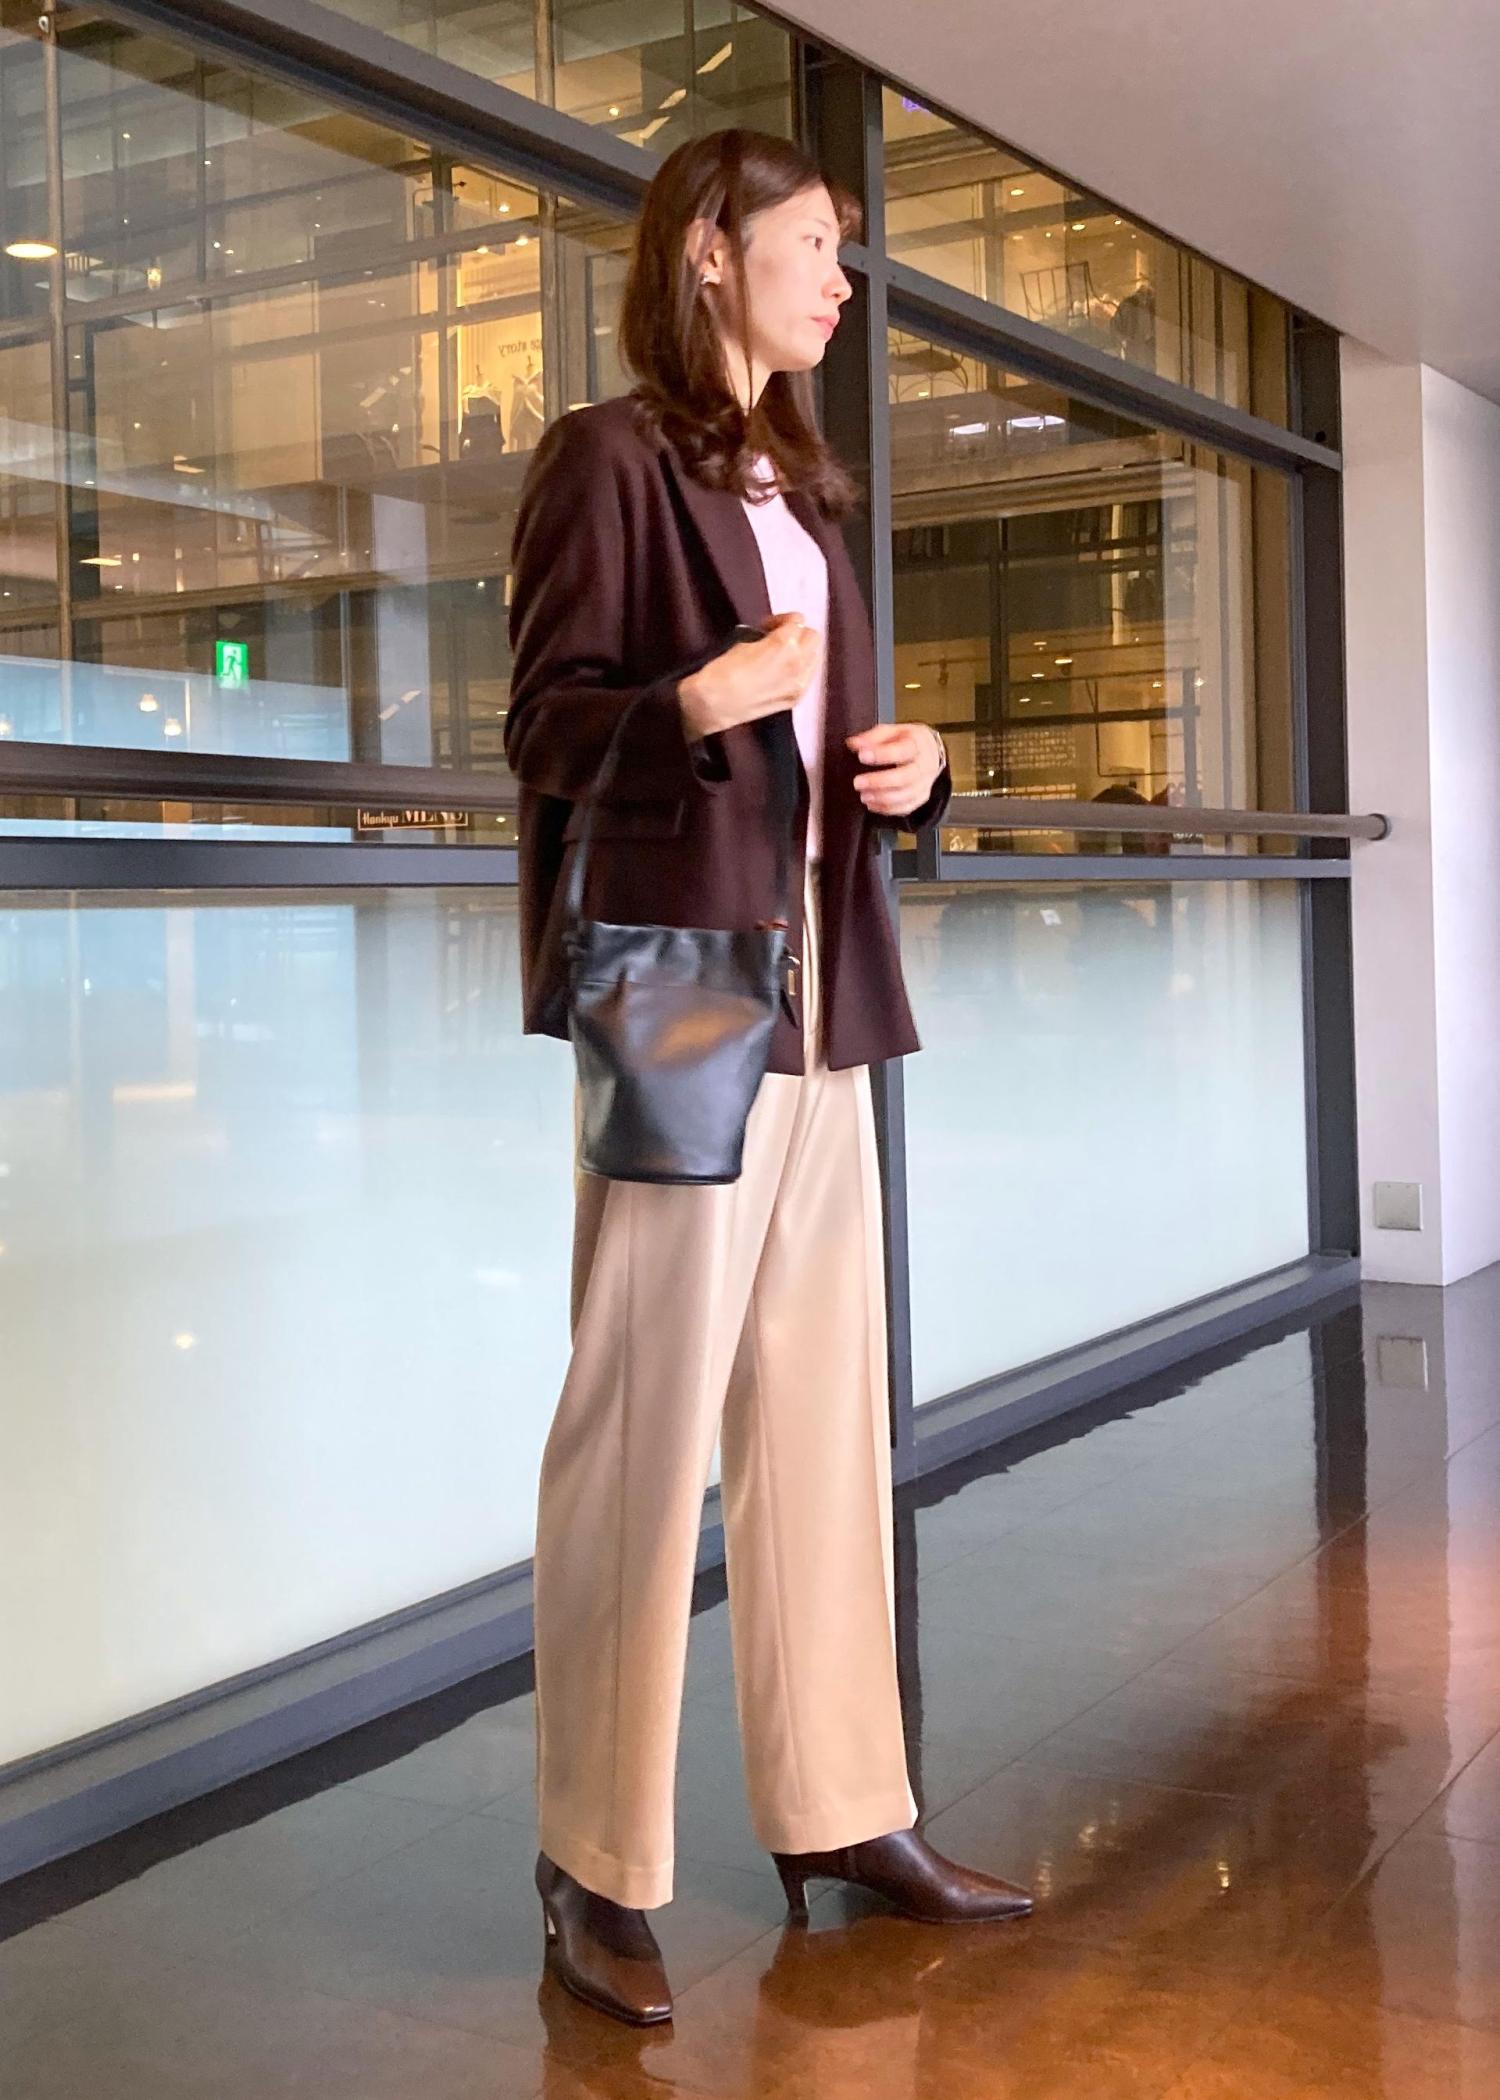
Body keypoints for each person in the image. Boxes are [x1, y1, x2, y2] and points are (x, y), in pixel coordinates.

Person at [504, 126, 1033, 2030]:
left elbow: (831, 760)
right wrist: (690, 705)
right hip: (685, 1005)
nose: (841, 281)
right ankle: (594, 1860)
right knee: (642, 1437)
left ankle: (843, 1811)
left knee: (821, 1429)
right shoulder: (607, 459)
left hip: (825, 1009)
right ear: (712, 253)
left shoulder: (801, 485)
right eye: (817, 245)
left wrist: (916, 775)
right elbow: (545, 727)